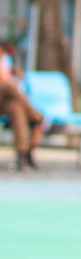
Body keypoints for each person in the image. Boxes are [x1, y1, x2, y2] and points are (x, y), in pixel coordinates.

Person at [0, 45, 44, 173]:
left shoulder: (7, 64)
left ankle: (22, 155)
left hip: (5, 104)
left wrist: (15, 74)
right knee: (10, 86)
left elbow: (20, 83)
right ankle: (35, 114)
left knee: (16, 108)